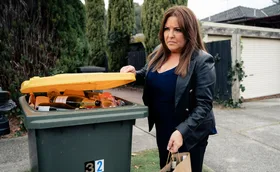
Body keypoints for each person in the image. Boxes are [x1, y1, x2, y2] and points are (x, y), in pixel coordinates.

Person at [120, 6, 217, 172]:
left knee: (181, 169)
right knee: (166, 167)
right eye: (167, 28)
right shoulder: (160, 51)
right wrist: (134, 73)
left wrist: (181, 132)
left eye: (177, 30)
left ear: (189, 32)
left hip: (188, 132)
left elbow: (204, 105)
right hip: (163, 127)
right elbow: (147, 72)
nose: (170, 35)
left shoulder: (202, 61)